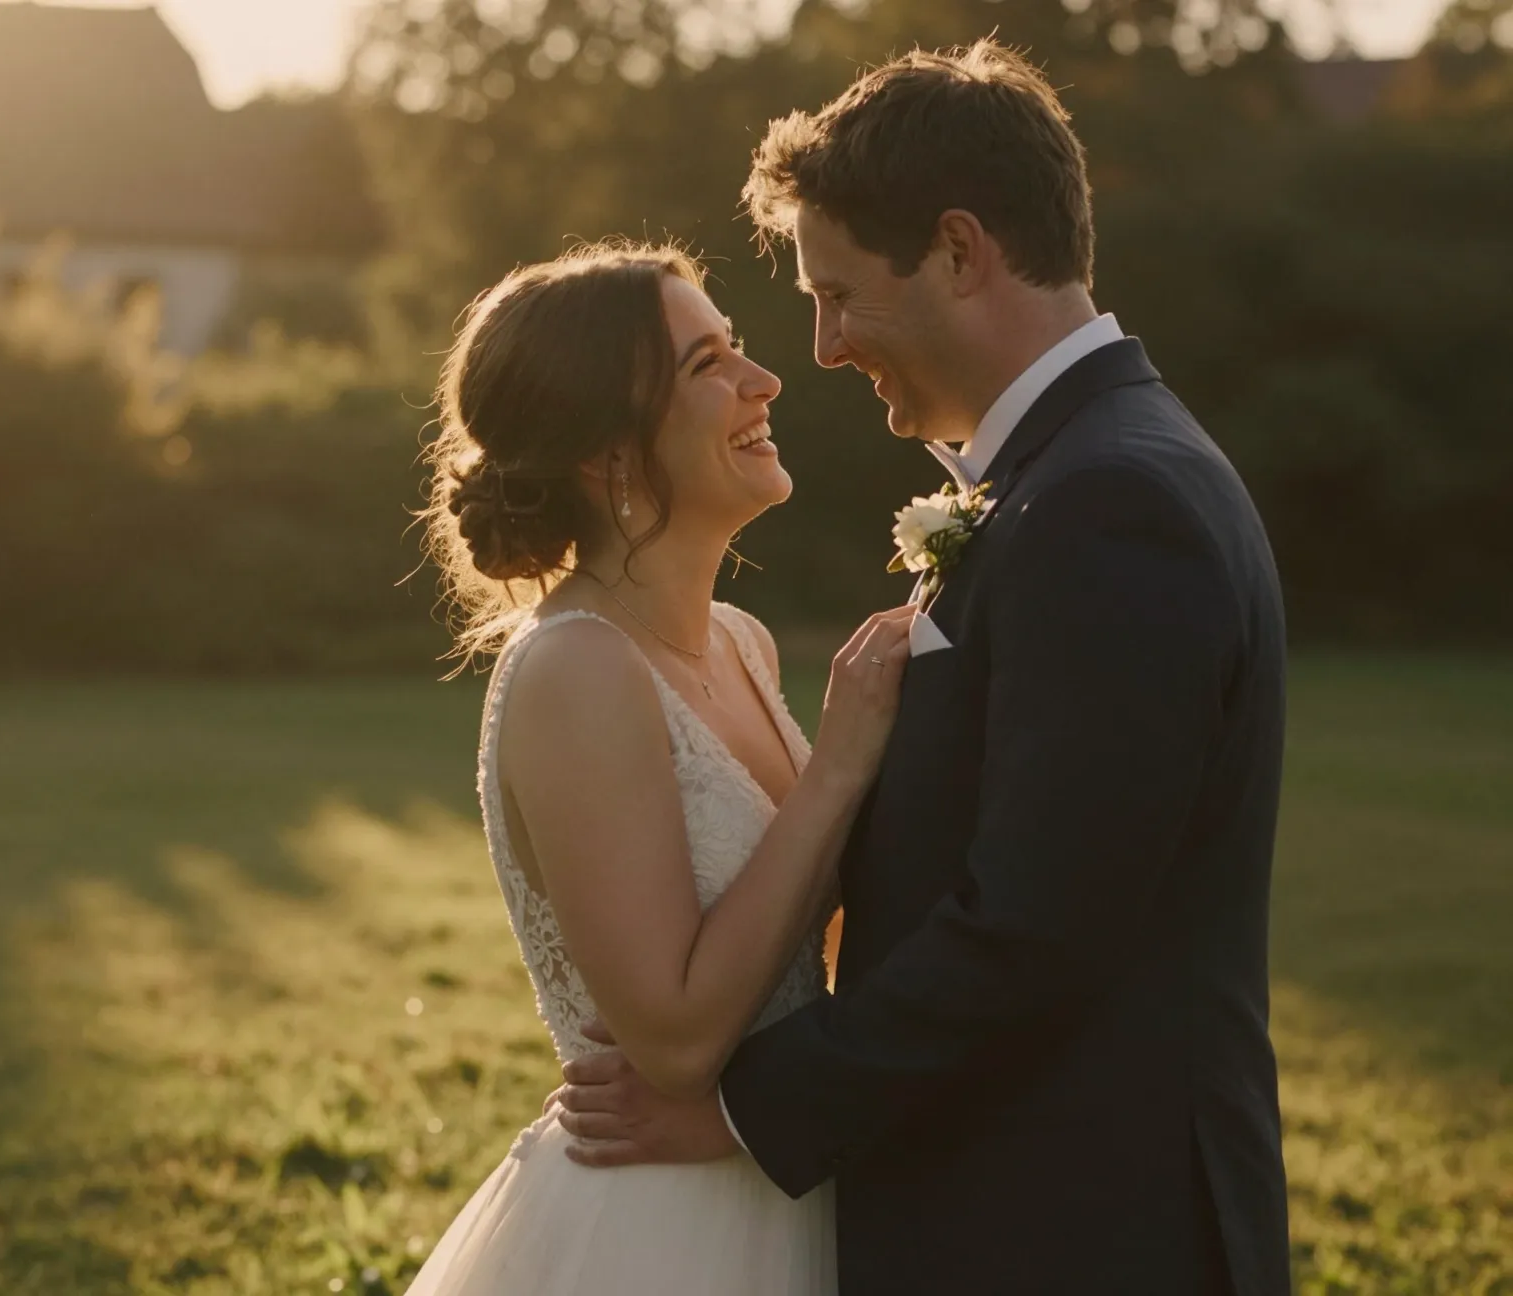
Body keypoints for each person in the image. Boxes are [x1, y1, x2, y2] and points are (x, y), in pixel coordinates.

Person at [554, 41, 1292, 1296]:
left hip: (1080, 1226)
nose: (826, 349)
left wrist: (742, 1114)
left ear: (960, 251)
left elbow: (1037, 930)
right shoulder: (1074, 475)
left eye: (839, 295)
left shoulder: (1110, 502)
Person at [406, 240, 913, 1295]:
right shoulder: (576, 671)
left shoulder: (740, 639)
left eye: (737, 349)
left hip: (788, 1171)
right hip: (665, 1230)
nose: (763, 380)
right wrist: (842, 766)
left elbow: (808, 934)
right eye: (707, 366)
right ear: (611, 456)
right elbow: (676, 1042)